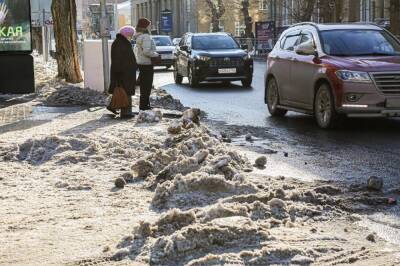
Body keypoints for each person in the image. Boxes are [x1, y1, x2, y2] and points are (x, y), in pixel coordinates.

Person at [108, 26, 137, 118]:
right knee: (125, 92)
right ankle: (126, 113)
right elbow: (117, 59)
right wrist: (119, 73)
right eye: (130, 35)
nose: (131, 37)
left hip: (126, 72)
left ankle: (117, 108)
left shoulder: (122, 42)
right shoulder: (120, 43)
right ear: (126, 34)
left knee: (124, 91)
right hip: (123, 73)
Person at [134, 18, 159, 111]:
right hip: (147, 63)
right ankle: (145, 106)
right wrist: (156, 54)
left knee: (144, 86)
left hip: (141, 63)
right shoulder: (146, 37)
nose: (150, 26)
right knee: (147, 86)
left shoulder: (139, 36)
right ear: (145, 26)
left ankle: (144, 105)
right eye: (149, 25)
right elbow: (146, 51)